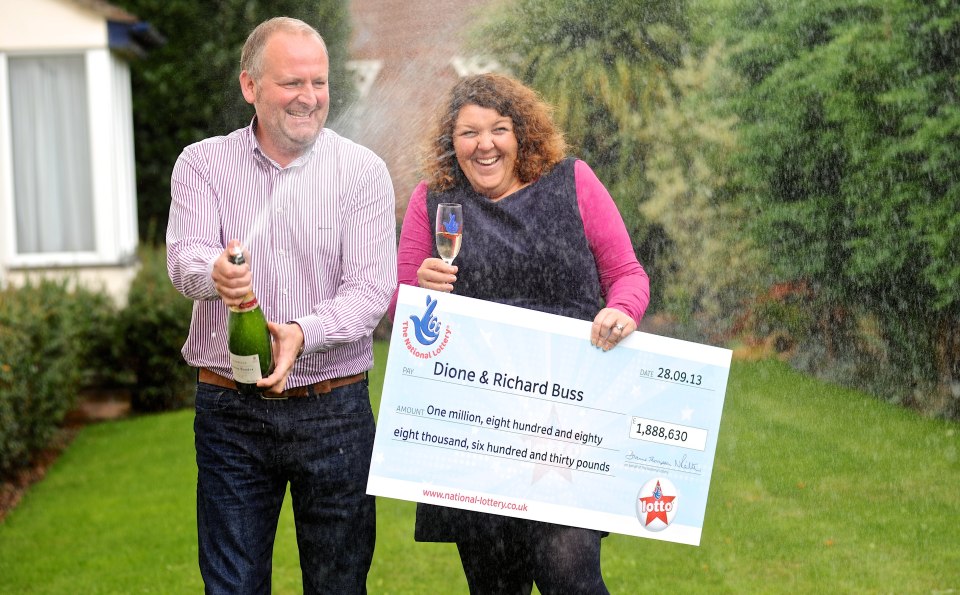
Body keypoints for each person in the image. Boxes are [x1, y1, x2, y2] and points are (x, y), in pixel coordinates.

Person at [390, 73, 650, 594]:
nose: (484, 144)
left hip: (567, 417)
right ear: (452, 142)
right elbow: (401, 313)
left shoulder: (572, 181)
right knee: (494, 586)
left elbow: (628, 274)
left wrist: (622, 310)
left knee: (570, 574)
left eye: (499, 129)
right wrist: (421, 292)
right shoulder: (433, 200)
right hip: (474, 426)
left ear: (521, 134)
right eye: (468, 133)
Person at [166, 17, 396, 594]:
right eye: (292, 83)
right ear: (250, 86)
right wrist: (213, 273)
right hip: (231, 413)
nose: (310, 98)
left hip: (334, 407)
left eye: (318, 83)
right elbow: (183, 260)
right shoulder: (202, 164)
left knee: (339, 585)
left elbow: (371, 291)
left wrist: (302, 331)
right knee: (233, 586)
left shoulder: (362, 172)